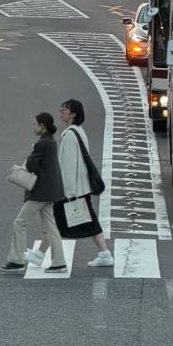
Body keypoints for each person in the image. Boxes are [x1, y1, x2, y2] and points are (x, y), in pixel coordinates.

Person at [36, 99, 112, 268]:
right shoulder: (78, 131)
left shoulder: (70, 135)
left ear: (73, 114)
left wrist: (67, 192)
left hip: (71, 190)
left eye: (65, 109)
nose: (61, 111)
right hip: (79, 188)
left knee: (55, 221)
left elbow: (68, 166)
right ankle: (39, 254)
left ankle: (39, 254)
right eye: (61, 108)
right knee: (67, 222)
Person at [0, 112, 68, 273]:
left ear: (42, 126)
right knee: (51, 227)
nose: (33, 127)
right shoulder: (51, 141)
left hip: (41, 192)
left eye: (35, 124)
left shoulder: (42, 144)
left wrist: (31, 154)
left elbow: (31, 166)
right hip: (51, 191)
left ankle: (17, 260)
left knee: (20, 222)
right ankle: (59, 262)